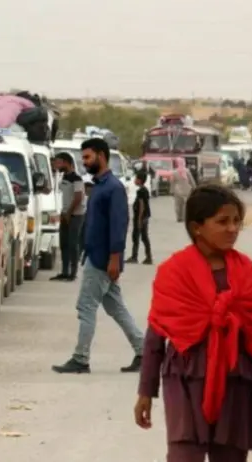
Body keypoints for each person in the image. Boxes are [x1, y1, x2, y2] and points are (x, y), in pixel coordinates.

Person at [135, 184, 252, 461]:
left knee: (231, 456)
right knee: (183, 454)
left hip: (237, 379)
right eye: (222, 222)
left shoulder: (245, 271)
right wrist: (146, 391)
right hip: (185, 379)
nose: (232, 229)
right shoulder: (174, 272)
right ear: (197, 227)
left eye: (237, 221)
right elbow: (155, 336)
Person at [51, 138, 144, 374]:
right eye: (83, 158)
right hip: (95, 255)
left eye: (88, 157)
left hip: (103, 259)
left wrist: (115, 258)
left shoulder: (113, 188)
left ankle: (81, 358)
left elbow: (119, 226)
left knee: (86, 306)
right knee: (116, 307)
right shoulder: (100, 186)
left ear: (101, 156)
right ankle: (145, 352)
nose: (84, 162)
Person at [50, 152, 85, 282]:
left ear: (66, 162)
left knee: (72, 244)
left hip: (75, 215)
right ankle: (64, 271)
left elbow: (78, 197)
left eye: (59, 162)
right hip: (65, 214)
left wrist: (69, 212)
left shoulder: (76, 179)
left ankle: (73, 272)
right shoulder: (63, 177)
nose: (57, 165)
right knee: (63, 243)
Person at [125, 171, 152, 265]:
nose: (135, 180)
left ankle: (135, 257)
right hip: (144, 217)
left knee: (137, 236)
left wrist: (139, 219)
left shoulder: (141, 191)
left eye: (136, 178)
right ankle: (147, 256)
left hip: (141, 218)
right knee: (142, 237)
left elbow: (142, 206)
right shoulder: (144, 190)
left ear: (140, 180)